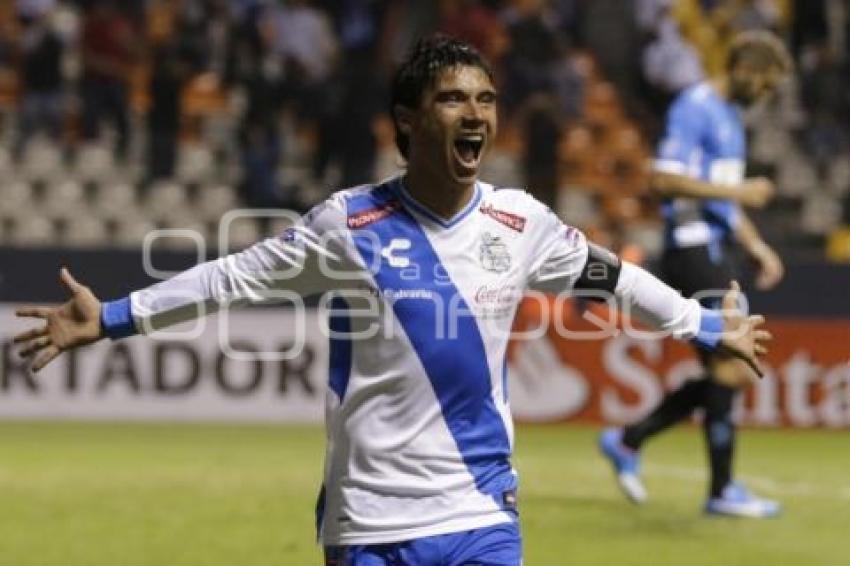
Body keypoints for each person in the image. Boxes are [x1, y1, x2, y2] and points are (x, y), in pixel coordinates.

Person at [15, 36, 770, 565]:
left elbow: (616, 280)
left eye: (485, 98)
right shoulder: (347, 224)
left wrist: (705, 324)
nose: (475, 113)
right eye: (451, 99)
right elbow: (229, 278)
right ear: (408, 121)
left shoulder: (523, 222)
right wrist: (112, 317)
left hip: (482, 512)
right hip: (370, 518)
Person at [599, 30, 792, 519]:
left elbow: (725, 196)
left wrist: (756, 244)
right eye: (766, 84)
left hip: (717, 246)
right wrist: (740, 196)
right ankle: (719, 489)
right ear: (747, 70)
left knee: (729, 366)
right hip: (692, 247)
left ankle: (630, 441)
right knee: (732, 363)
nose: (765, 95)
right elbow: (662, 178)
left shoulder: (727, 118)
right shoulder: (695, 105)